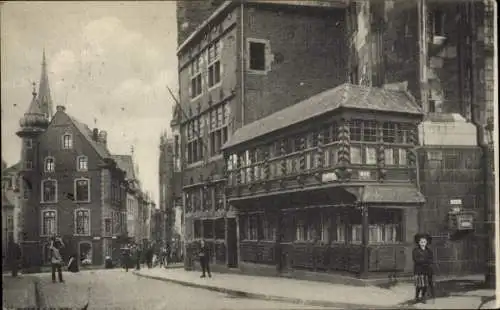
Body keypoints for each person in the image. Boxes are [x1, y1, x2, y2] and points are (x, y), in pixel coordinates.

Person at [412, 233, 433, 303]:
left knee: (425, 285)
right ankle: (417, 297)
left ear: (427, 242)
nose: (423, 243)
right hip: (418, 270)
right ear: (418, 242)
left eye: (424, 242)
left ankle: (423, 297)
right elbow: (416, 260)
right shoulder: (415, 251)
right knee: (419, 285)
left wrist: (424, 261)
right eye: (421, 242)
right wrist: (425, 261)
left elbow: (431, 260)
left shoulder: (429, 251)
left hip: (427, 270)